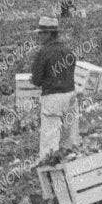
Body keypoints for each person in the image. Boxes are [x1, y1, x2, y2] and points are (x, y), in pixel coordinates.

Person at [30, 15, 79, 163]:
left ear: (49, 34)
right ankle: (72, 168)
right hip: (70, 95)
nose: (39, 36)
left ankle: (49, 168)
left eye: (41, 33)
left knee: (49, 140)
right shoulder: (68, 50)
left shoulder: (43, 53)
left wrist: (34, 79)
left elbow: (37, 80)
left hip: (52, 98)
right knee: (69, 138)